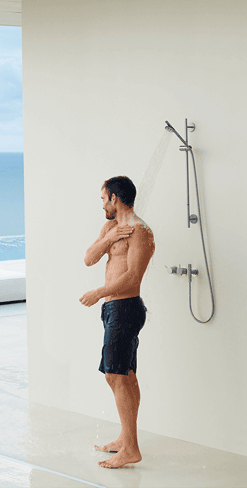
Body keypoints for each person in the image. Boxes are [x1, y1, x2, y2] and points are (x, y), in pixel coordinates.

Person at [80, 175, 155, 469]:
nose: (102, 205)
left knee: (116, 376)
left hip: (126, 308)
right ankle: (126, 440)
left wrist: (98, 292)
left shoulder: (141, 232)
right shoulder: (111, 228)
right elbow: (89, 258)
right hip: (113, 310)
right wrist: (109, 238)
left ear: (115, 198)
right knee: (126, 375)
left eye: (103, 199)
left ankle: (131, 449)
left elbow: (133, 277)